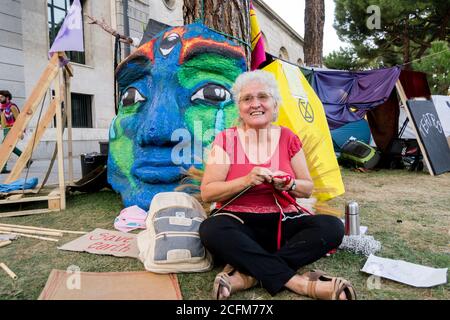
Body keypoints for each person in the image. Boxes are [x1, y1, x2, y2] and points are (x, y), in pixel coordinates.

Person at [199, 70, 357, 300]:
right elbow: (208, 191)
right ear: (239, 107)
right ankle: (300, 284)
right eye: (247, 99)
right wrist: (246, 181)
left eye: (262, 97)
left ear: (274, 104)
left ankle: (248, 276)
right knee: (211, 230)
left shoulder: (288, 138)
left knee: (332, 227)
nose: (255, 104)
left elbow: (307, 187)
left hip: (285, 223)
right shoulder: (226, 139)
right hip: (239, 223)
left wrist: (289, 184)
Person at [0, 90, 27, 174]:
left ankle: (3, 167)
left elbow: (19, 119)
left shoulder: (12, 107)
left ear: (7, 97)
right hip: (5, 129)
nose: (0, 98)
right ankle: (27, 159)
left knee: (5, 147)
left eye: (1, 97)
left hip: (12, 129)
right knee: (10, 147)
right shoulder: (1, 108)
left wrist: (21, 130)